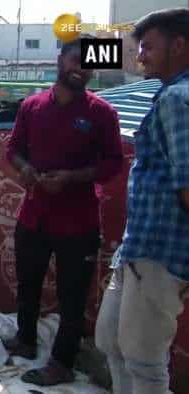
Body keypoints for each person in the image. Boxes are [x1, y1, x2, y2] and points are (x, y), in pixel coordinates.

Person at [4, 34, 124, 386]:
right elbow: (12, 149)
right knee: (28, 283)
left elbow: (114, 163)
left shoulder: (102, 113)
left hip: (79, 221)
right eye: (76, 61)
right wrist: (24, 169)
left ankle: (62, 362)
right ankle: (25, 340)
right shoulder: (32, 106)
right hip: (34, 214)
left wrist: (72, 177)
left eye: (89, 66)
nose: (82, 70)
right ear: (61, 60)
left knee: (73, 296)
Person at [95, 8, 189, 394]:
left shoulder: (179, 100)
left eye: (148, 47)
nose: (140, 57)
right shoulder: (168, 94)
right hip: (139, 249)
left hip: (160, 253)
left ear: (180, 45)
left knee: (144, 361)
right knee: (111, 342)